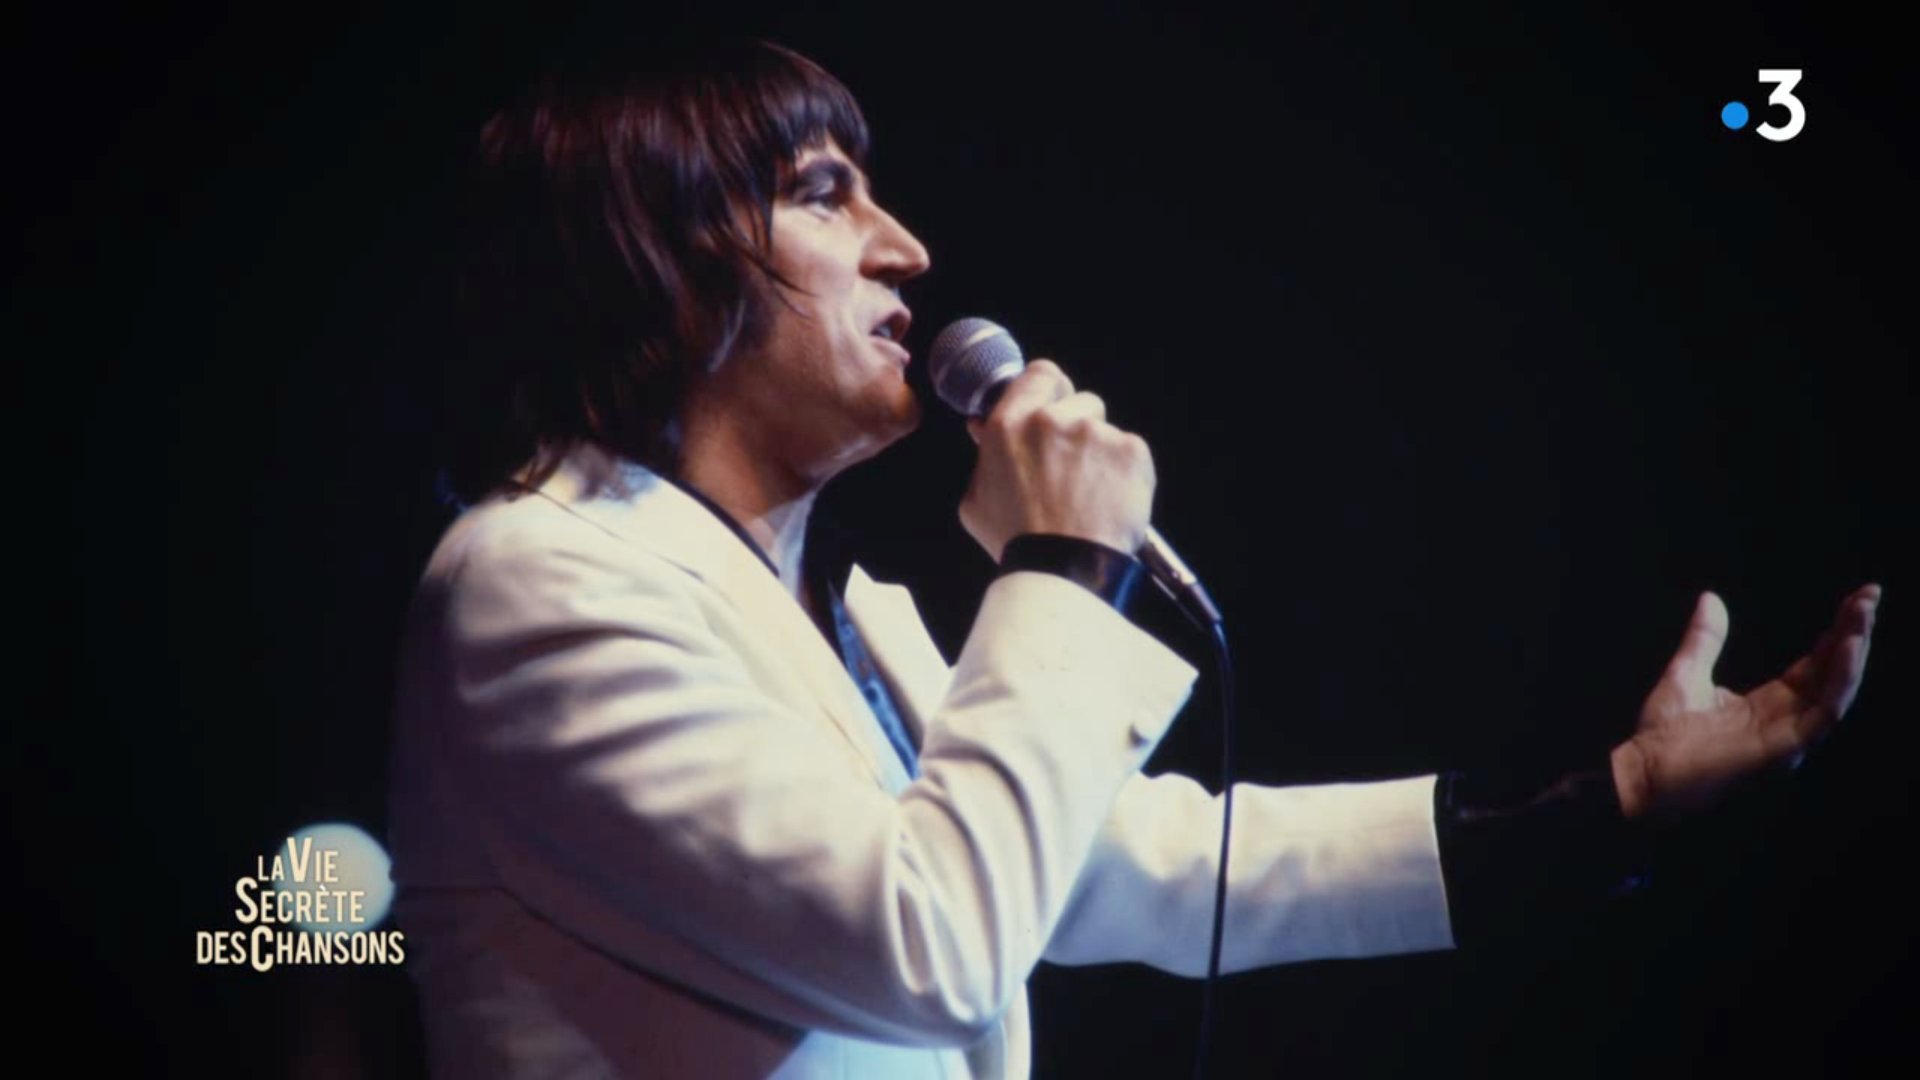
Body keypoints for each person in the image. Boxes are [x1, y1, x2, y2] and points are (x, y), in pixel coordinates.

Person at [385, 39, 1881, 1079]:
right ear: (656, 252)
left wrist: (1607, 805)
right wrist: (1058, 564)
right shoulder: (540, 579)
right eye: (826, 191)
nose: (905, 248)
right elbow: (936, 942)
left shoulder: (841, 615)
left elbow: (1148, 869)